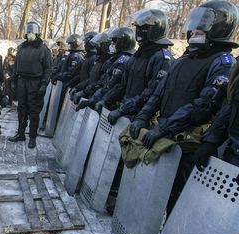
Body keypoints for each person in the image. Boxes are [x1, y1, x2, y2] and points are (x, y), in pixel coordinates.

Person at [129, 0, 238, 213]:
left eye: (202, 24)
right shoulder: (183, 60)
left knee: (178, 201)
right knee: (155, 192)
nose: (193, 30)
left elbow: (203, 105)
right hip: (165, 136)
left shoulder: (222, 63)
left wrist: (165, 127)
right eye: (195, 23)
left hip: (189, 144)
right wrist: (143, 117)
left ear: (219, 28)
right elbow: (159, 92)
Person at [101, 9, 174, 124]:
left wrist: (123, 110)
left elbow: (152, 92)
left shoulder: (161, 58)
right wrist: (105, 99)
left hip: (140, 118)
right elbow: (122, 85)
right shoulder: (137, 55)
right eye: (138, 28)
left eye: (144, 27)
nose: (139, 31)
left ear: (156, 29)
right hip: (125, 112)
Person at [8, 21, 52, 148]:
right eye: (28, 32)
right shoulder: (21, 48)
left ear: (37, 33)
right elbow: (16, 66)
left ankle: (32, 137)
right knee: (21, 109)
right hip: (22, 82)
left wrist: (44, 84)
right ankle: (20, 133)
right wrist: (14, 81)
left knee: (34, 111)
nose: (30, 34)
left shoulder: (43, 49)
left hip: (36, 83)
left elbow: (48, 69)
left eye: (32, 32)